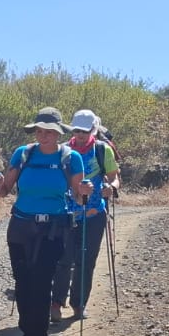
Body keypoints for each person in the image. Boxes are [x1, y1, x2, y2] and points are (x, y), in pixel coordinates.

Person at [0, 108, 89, 336]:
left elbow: (78, 196)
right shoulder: (23, 154)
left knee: (42, 282)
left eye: (49, 131)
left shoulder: (70, 158)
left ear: (59, 133)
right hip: (21, 226)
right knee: (23, 283)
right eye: (39, 130)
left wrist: (85, 190)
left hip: (53, 228)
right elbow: (4, 190)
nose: (43, 135)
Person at [51, 111, 121, 322]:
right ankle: (56, 303)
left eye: (85, 131)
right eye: (77, 130)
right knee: (62, 259)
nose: (80, 135)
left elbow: (114, 177)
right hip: (66, 213)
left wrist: (111, 188)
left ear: (93, 130)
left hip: (94, 213)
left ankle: (79, 303)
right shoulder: (63, 150)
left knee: (86, 260)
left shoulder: (102, 149)